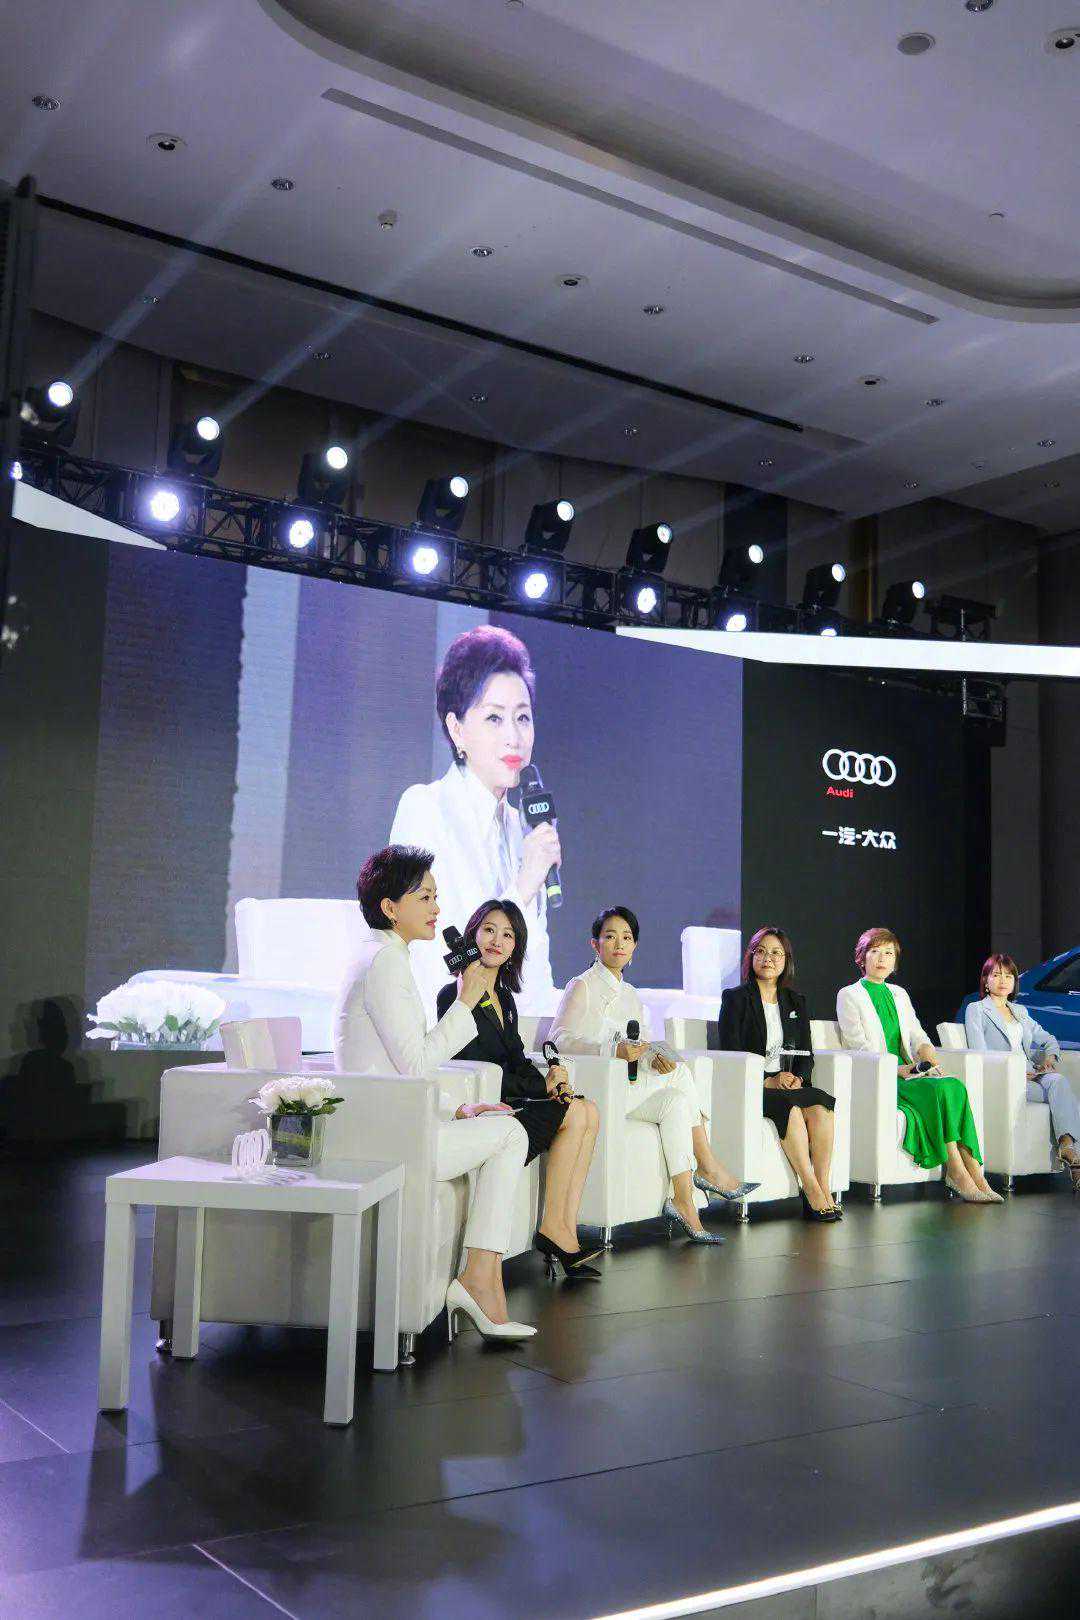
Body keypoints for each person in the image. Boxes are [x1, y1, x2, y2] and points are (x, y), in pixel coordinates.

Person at [333, 845, 537, 1341]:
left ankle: (481, 1278)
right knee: (512, 1135)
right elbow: (418, 1063)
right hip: (391, 1139)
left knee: (503, 1127)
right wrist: (465, 1002)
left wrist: (458, 1108)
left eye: (435, 896)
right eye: (424, 897)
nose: (436, 908)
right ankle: (479, 1279)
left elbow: (398, 1069)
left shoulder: (383, 956)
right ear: (390, 906)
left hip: (392, 1122)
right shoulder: (385, 963)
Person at [550, 905, 758, 1245]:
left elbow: (640, 1046)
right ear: (595, 944)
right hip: (595, 1090)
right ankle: (708, 1166)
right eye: (610, 936)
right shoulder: (581, 986)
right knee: (682, 1076)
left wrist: (654, 1059)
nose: (619, 944)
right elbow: (559, 1039)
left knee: (675, 1098)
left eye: (627, 937)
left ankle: (684, 1200)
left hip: (628, 1089)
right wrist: (610, 1049)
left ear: (634, 946)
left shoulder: (631, 994)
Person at [388, 625, 558, 1020]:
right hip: (447, 1030)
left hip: (514, 1035)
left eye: (523, 717)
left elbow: (534, 972)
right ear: (457, 728)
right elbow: (441, 960)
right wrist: (523, 887)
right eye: (494, 718)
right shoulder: (424, 809)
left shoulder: (523, 830)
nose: (514, 737)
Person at [437, 900, 603, 1278]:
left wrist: (552, 1079)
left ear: (516, 947)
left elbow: (515, 1057)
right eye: (489, 930)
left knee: (588, 1109)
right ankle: (554, 1230)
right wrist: (541, 1085)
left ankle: (564, 1227)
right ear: (472, 936)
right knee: (575, 1112)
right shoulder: (453, 996)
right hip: (488, 1104)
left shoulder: (505, 998)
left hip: (514, 1094)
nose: (497, 941)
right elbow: (479, 1065)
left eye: (508, 934)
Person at [837, 927, 1001, 1204]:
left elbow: (916, 1034)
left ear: (895, 961)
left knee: (954, 1086)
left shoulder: (899, 994)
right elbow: (858, 1046)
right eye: (874, 952)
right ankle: (957, 1172)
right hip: (880, 1075)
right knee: (938, 1091)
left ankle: (976, 1173)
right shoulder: (849, 994)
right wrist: (897, 1069)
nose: (882, 958)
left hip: (910, 1071)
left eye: (888, 953)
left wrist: (928, 1056)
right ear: (861, 958)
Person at [719, 927, 840, 1222]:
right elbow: (731, 1051)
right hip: (752, 1084)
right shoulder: (735, 998)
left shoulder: (796, 1001)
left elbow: (807, 1052)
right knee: (791, 1108)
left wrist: (799, 1078)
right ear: (751, 957)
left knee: (822, 1105)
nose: (768, 958)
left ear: (786, 960)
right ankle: (810, 1188)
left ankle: (824, 1185)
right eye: (760, 951)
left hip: (788, 1082)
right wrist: (766, 1079)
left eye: (776, 953)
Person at [965, 953, 1080, 1190]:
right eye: (996, 975)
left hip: (1032, 1076)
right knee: (1064, 1094)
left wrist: (1050, 1057)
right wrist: (1015, 1070)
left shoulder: (1020, 1011)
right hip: (1004, 1079)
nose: (1003, 981)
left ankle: (1067, 1145)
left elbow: (1048, 1038)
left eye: (1009, 976)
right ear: (986, 980)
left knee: (1058, 1080)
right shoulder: (976, 1009)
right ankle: (1071, 1154)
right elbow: (980, 1052)